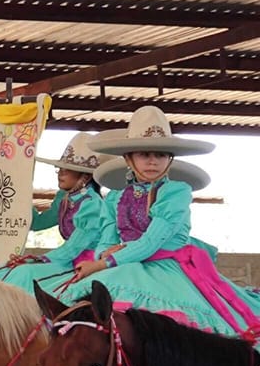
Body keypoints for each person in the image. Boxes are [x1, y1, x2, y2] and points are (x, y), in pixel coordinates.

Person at [62, 105, 260, 339]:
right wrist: (102, 255)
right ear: (128, 158)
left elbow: (151, 242)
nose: (153, 161)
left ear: (170, 158)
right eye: (144, 154)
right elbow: (107, 239)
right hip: (123, 266)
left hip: (166, 269)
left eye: (160, 155)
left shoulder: (176, 192)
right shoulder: (115, 197)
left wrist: (106, 262)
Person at [0, 132, 113, 294]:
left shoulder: (92, 205)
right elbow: (37, 223)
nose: (61, 173)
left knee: (25, 273)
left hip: (84, 263)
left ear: (85, 176)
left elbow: (74, 247)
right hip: (66, 260)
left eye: (67, 169)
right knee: (5, 271)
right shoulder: (65, 198)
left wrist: (37, 259)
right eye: (60, 168)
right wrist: (21, 193)